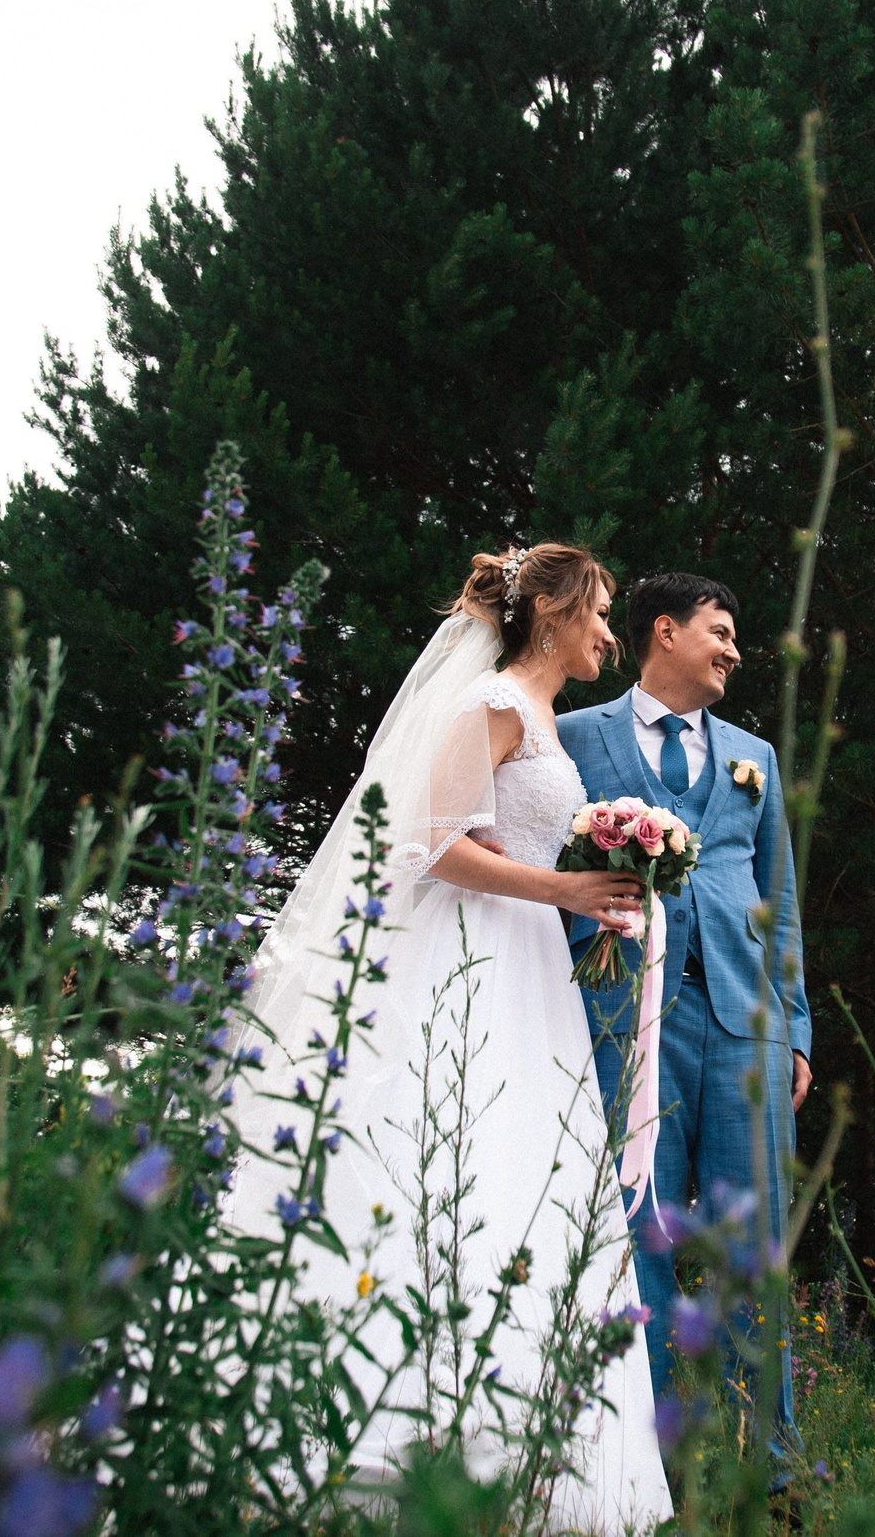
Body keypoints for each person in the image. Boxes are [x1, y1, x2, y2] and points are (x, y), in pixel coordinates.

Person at [229, 543, 671, 1533]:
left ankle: (512, 1452)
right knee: (444, 1155)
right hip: (464, 957)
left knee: (522, 1176)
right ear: (550, 614)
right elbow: (428, 839)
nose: (610, 632)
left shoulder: (541, 717)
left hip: (526, 963)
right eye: (599, 613)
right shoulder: (495, 705)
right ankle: (382, 1448)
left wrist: (597, 886)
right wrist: (563, 885)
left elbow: (511, 836)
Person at [560, 571, 810, 1464]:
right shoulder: (573, 736)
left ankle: (768, 1466)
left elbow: (778, 900)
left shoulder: (756, 757)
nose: (735, 649)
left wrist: (799, 1027)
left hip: (747, 1026)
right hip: (623, 1022)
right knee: (638, 1236)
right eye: (721, 629)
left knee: (755, 1241)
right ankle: (646, 1462)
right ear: (664, 631)